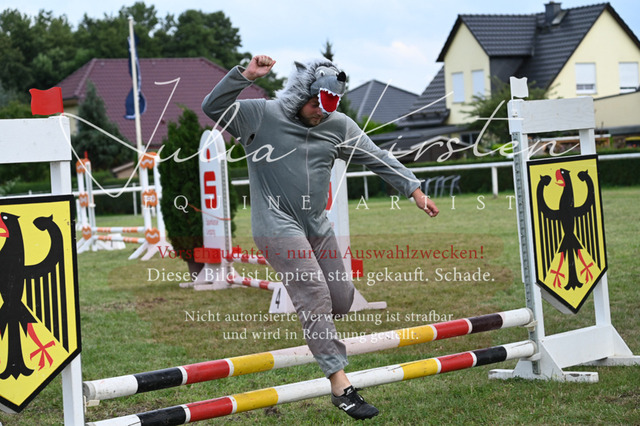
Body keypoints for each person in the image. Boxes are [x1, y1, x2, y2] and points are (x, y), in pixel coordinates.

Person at [202, 55, 439, 420]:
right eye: (315, 104)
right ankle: (341, 386)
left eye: (329, 105)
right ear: (300, 96)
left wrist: (414, 190)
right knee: (313, 293)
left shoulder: (337, 125)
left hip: (316, 225)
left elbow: (377, 156)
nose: (321, 112)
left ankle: (317, 327)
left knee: (340, 299)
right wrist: (246, 75)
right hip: (276, 224)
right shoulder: (261, 115)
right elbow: (213, 106)